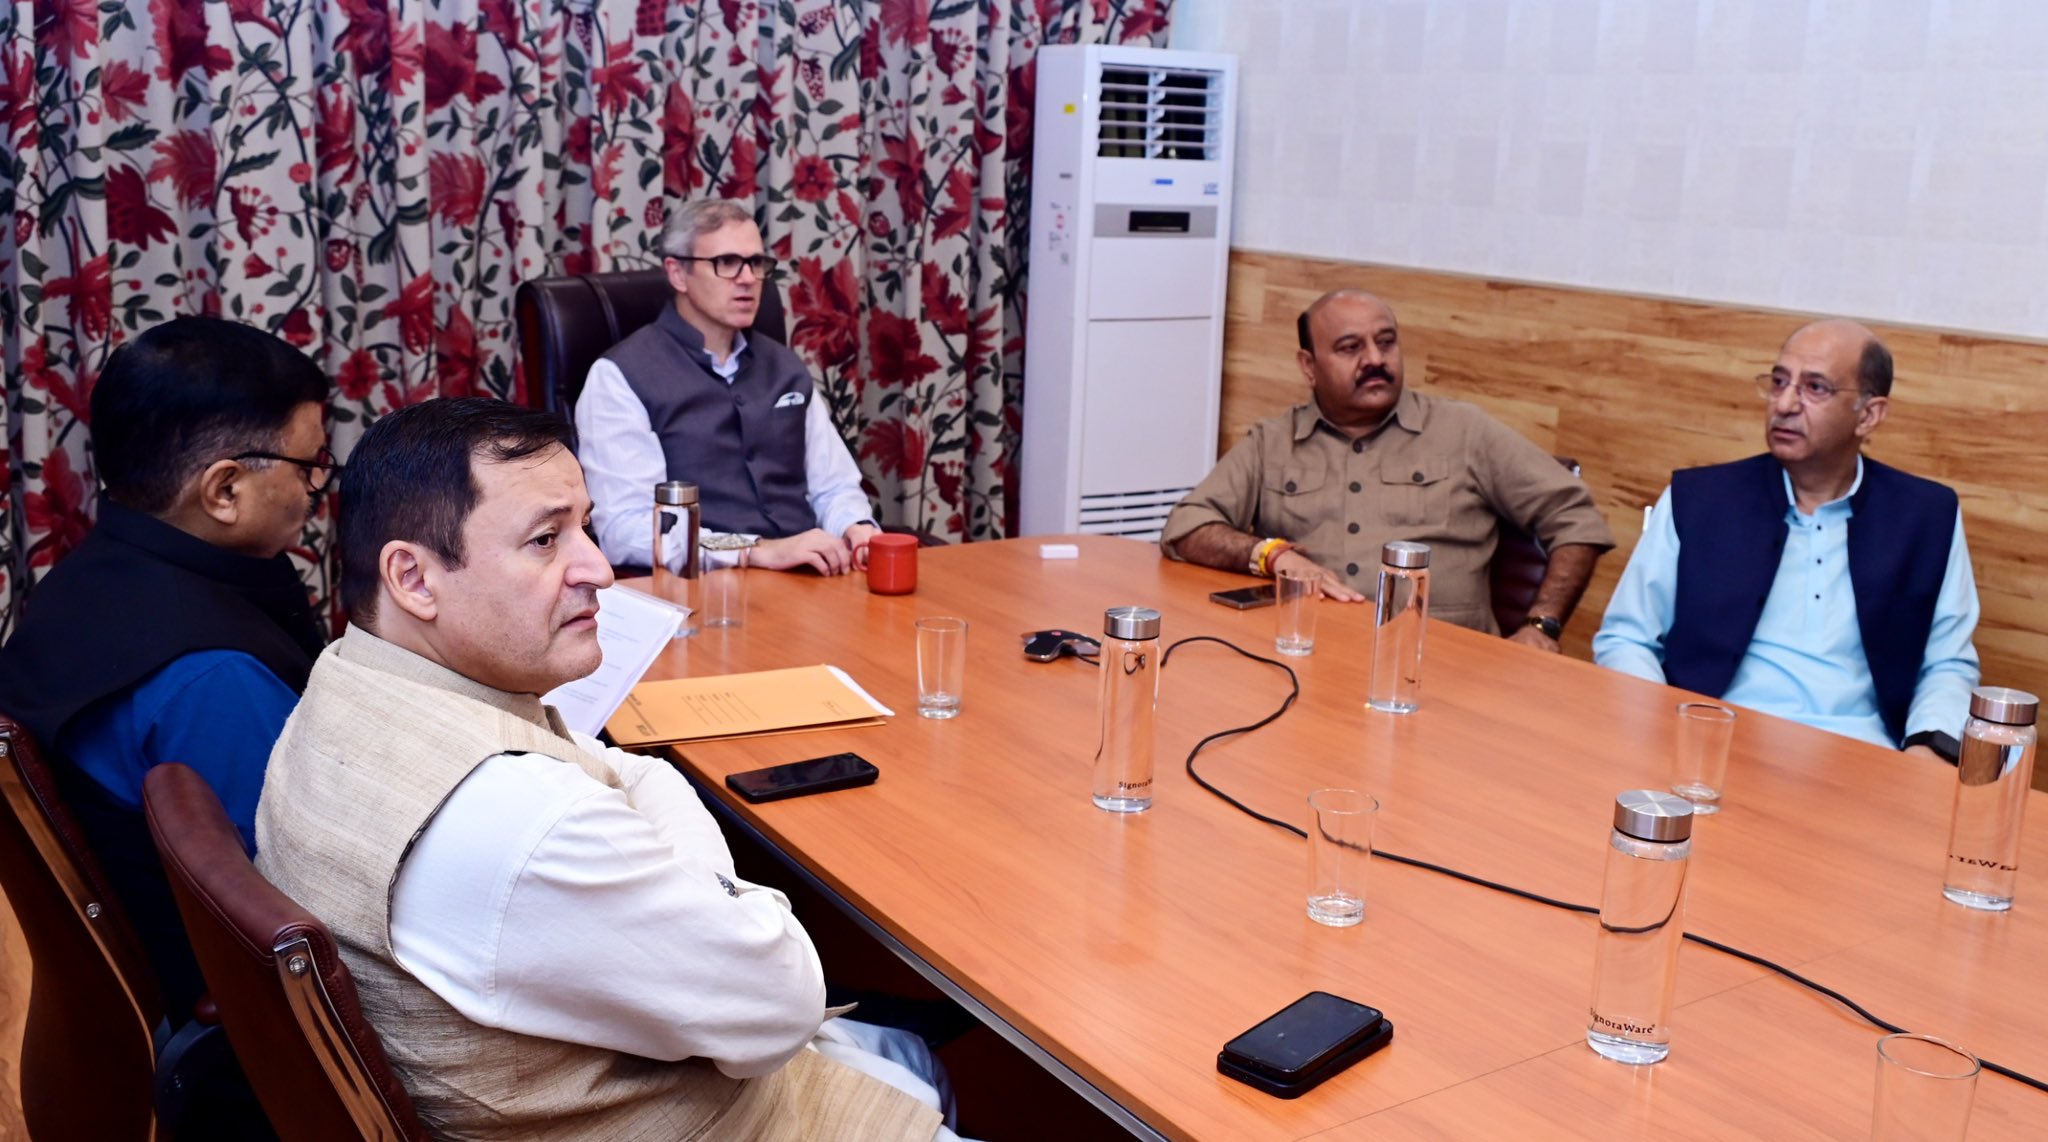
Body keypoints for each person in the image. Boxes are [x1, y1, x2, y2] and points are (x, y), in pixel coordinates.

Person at [255, 398, 952, 1140]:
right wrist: (706, 877)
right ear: (415, 579)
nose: (598, 570)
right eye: (545, 539)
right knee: (922, 1071)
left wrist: (650, 802)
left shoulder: (347, 682)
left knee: (913, 1063)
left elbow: (626, 771)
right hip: (703, 1120)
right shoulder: (520, 823)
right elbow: (782, 1004)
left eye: (584, 527)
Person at [0, 316, 333, 1021]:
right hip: (232, 1019)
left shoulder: (82, 581)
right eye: (308, 466)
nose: (315, 491)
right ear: (224, 490)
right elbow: (314, 891)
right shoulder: (212, 678)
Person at [1594, 320, 1980, 757]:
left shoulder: (1927, 516)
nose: (1784, 404)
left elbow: (1948, 664)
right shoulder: (1698, 499)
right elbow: (1626, 639)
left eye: (1815, 388)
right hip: (1711, 743)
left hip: (1860, 754)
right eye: (1779, 382)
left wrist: (1928, 748)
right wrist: (1666, 728)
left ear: (1869, 415)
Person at [1161, 289, 1615, 648]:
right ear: (1309, 367)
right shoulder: (1273, 441)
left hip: (1445, 668)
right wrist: (1274, 555)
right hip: (1308, 658)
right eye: (1350, 348)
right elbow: (1186, 527)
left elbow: (1577, 518)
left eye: (1386, 342)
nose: (1375, 360)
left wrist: (1542, 625)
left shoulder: (1464, 431)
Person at [576, 198, 880, 576]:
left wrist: (857, 527)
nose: (748, 278)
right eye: (727, 262)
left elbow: (833, 487)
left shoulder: (785, 366)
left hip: (812, 577)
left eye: (755, 263)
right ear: (677, 274)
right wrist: (753, 551)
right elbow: (625, 529)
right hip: (705, 588)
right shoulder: (618, 376)